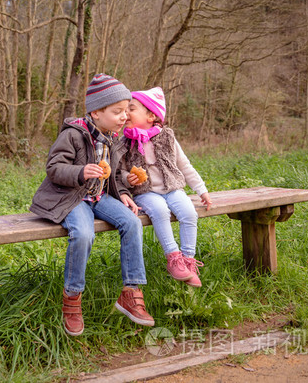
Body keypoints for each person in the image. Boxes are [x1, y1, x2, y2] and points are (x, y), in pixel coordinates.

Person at [30, 73, 154, 337]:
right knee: (83, 234)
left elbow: (115, 173)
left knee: (132, 222)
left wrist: (122, 191)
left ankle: (131, 292)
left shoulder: (112, 137)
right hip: (71, 197)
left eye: (126, 110)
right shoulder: (73, 135)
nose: (125, 116)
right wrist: (79, 172)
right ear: (96, 112)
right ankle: (72, 297)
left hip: (99, 197)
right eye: (118, 111)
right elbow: (54, 168)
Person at [119, 87, 212, 288]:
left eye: (131, 109)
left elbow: (184, 165)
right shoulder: (125, 142)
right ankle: (173, 258)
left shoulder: (167, 137)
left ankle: (188, 260)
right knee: (159, 211)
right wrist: (129, 179)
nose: (126, 114)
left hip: (172, 188)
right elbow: (120, 171)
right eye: (124, 110)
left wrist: (201, 190)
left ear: (151, 115)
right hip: (145, 192)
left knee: (188, 212)